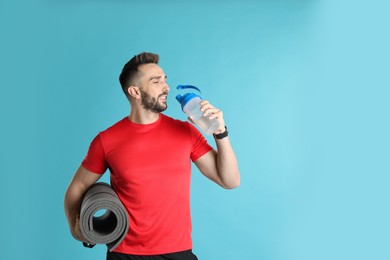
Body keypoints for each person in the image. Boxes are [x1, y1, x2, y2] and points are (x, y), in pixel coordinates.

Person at [64, 52, 240, 260]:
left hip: (177, 252)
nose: (166, 87)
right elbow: (77, 188)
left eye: (165, 80)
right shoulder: (106, 140)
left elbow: (230, 180)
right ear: (135, 92)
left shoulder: (186, 132)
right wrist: (76, 229)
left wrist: (220, 132)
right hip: (125, 254)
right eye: (156, 81)